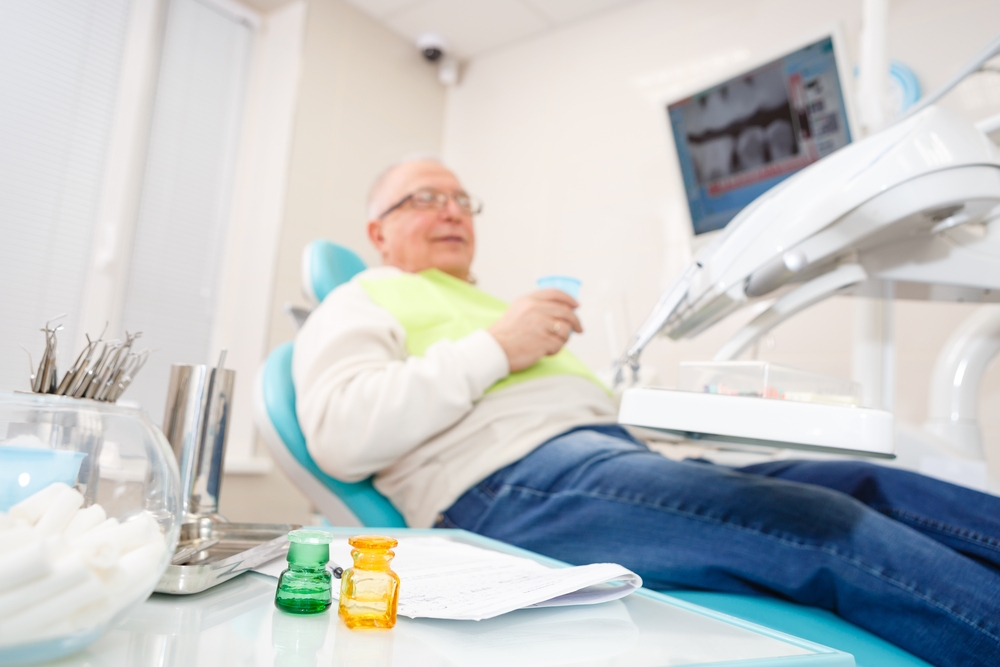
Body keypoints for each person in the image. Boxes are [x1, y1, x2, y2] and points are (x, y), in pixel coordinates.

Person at [293, 158, 1000, 667]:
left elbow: (588, 418)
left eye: (460, 199)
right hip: (506, 484)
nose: (450, 209)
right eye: (423, 197)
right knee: (824, 526)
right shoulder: (363, 297)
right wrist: (495, 347)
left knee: (870, 483)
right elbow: (340, 434)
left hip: (605, 460)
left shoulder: (498, 305)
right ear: (377, 233)